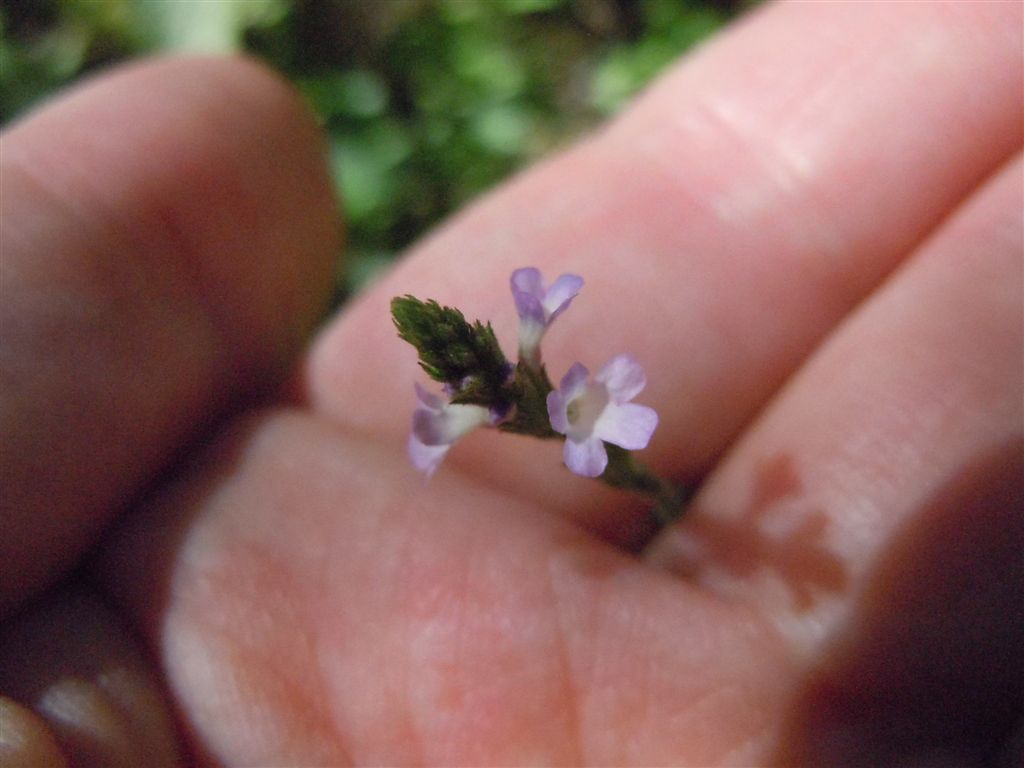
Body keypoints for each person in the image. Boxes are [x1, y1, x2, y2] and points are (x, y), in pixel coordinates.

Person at [1, 2, 1020, 765]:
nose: (576, 409)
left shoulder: (563, 403)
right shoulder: (531, 415)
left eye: (575, 405)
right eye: (572, 409)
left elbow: (576, 408)